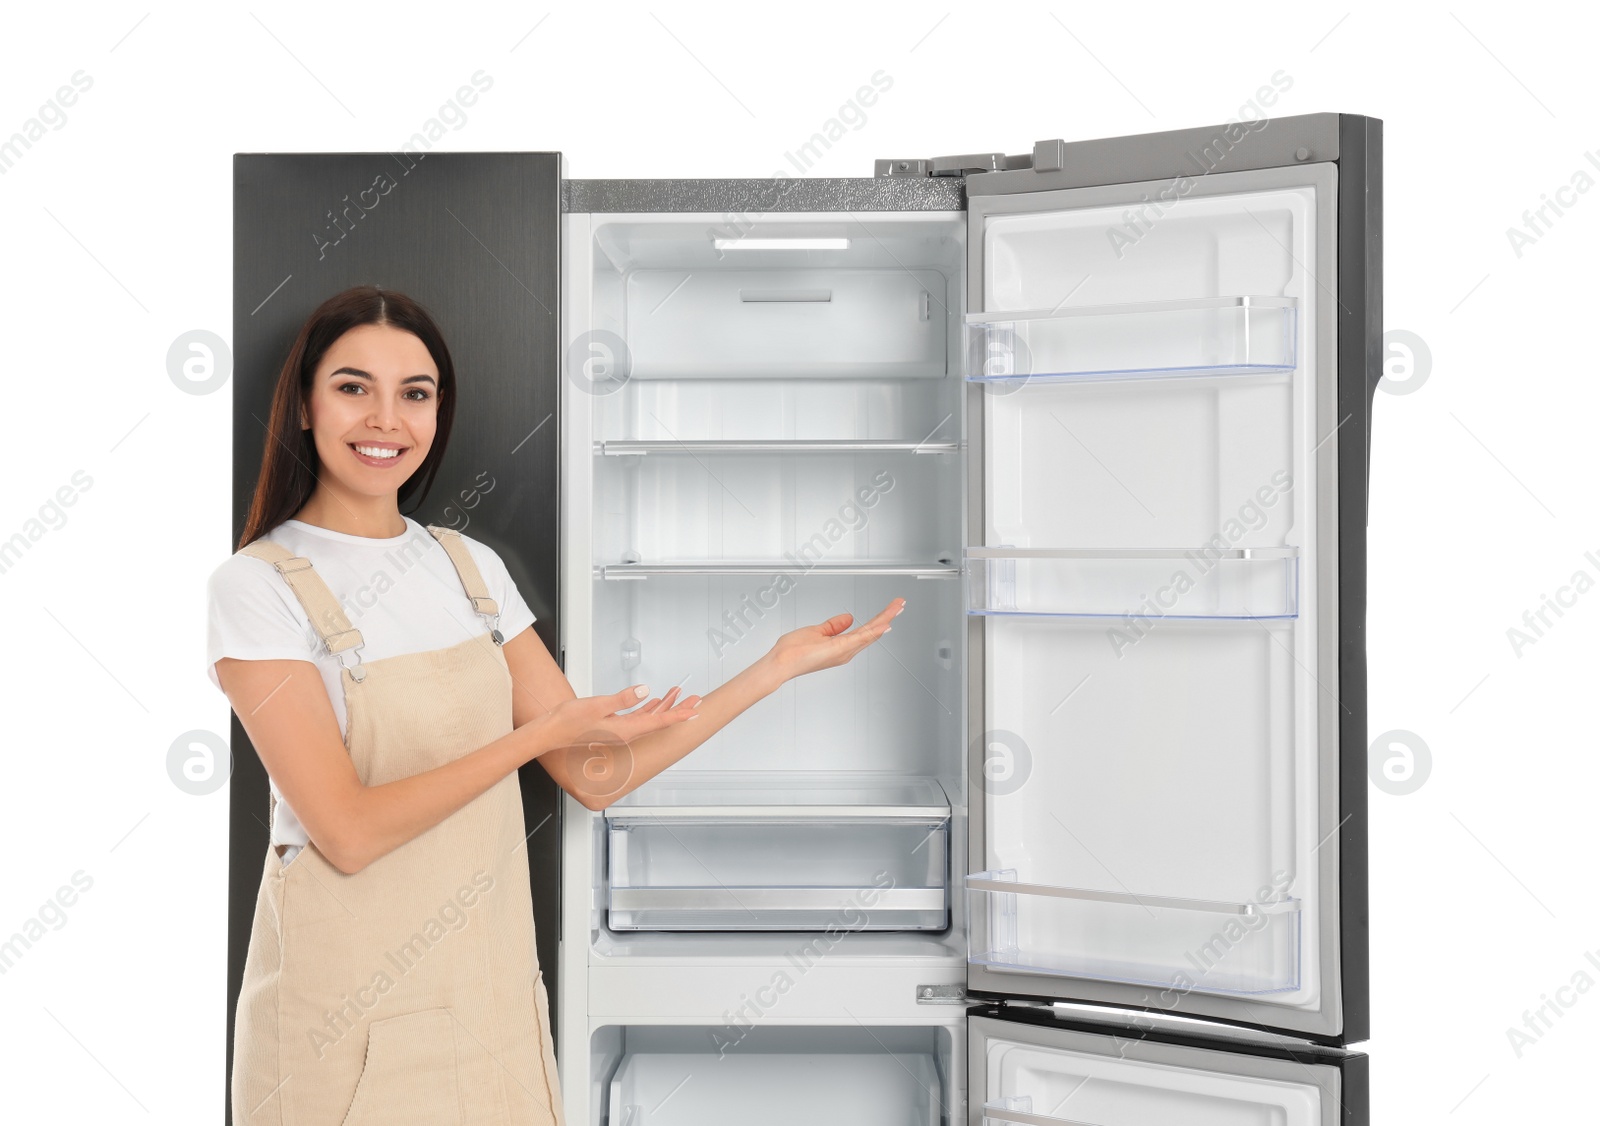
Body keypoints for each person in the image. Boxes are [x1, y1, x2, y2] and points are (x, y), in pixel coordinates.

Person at [208, 284, 904, 1125]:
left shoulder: (469, 569)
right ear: (307, 408)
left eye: (415, 394)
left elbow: (595, 771)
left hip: (486, 1005)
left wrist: (773, 669)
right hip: (341, 1033)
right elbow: (347, 832)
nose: (386, 418)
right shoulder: (256, 586)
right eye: (354, 388)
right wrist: (533, 734)